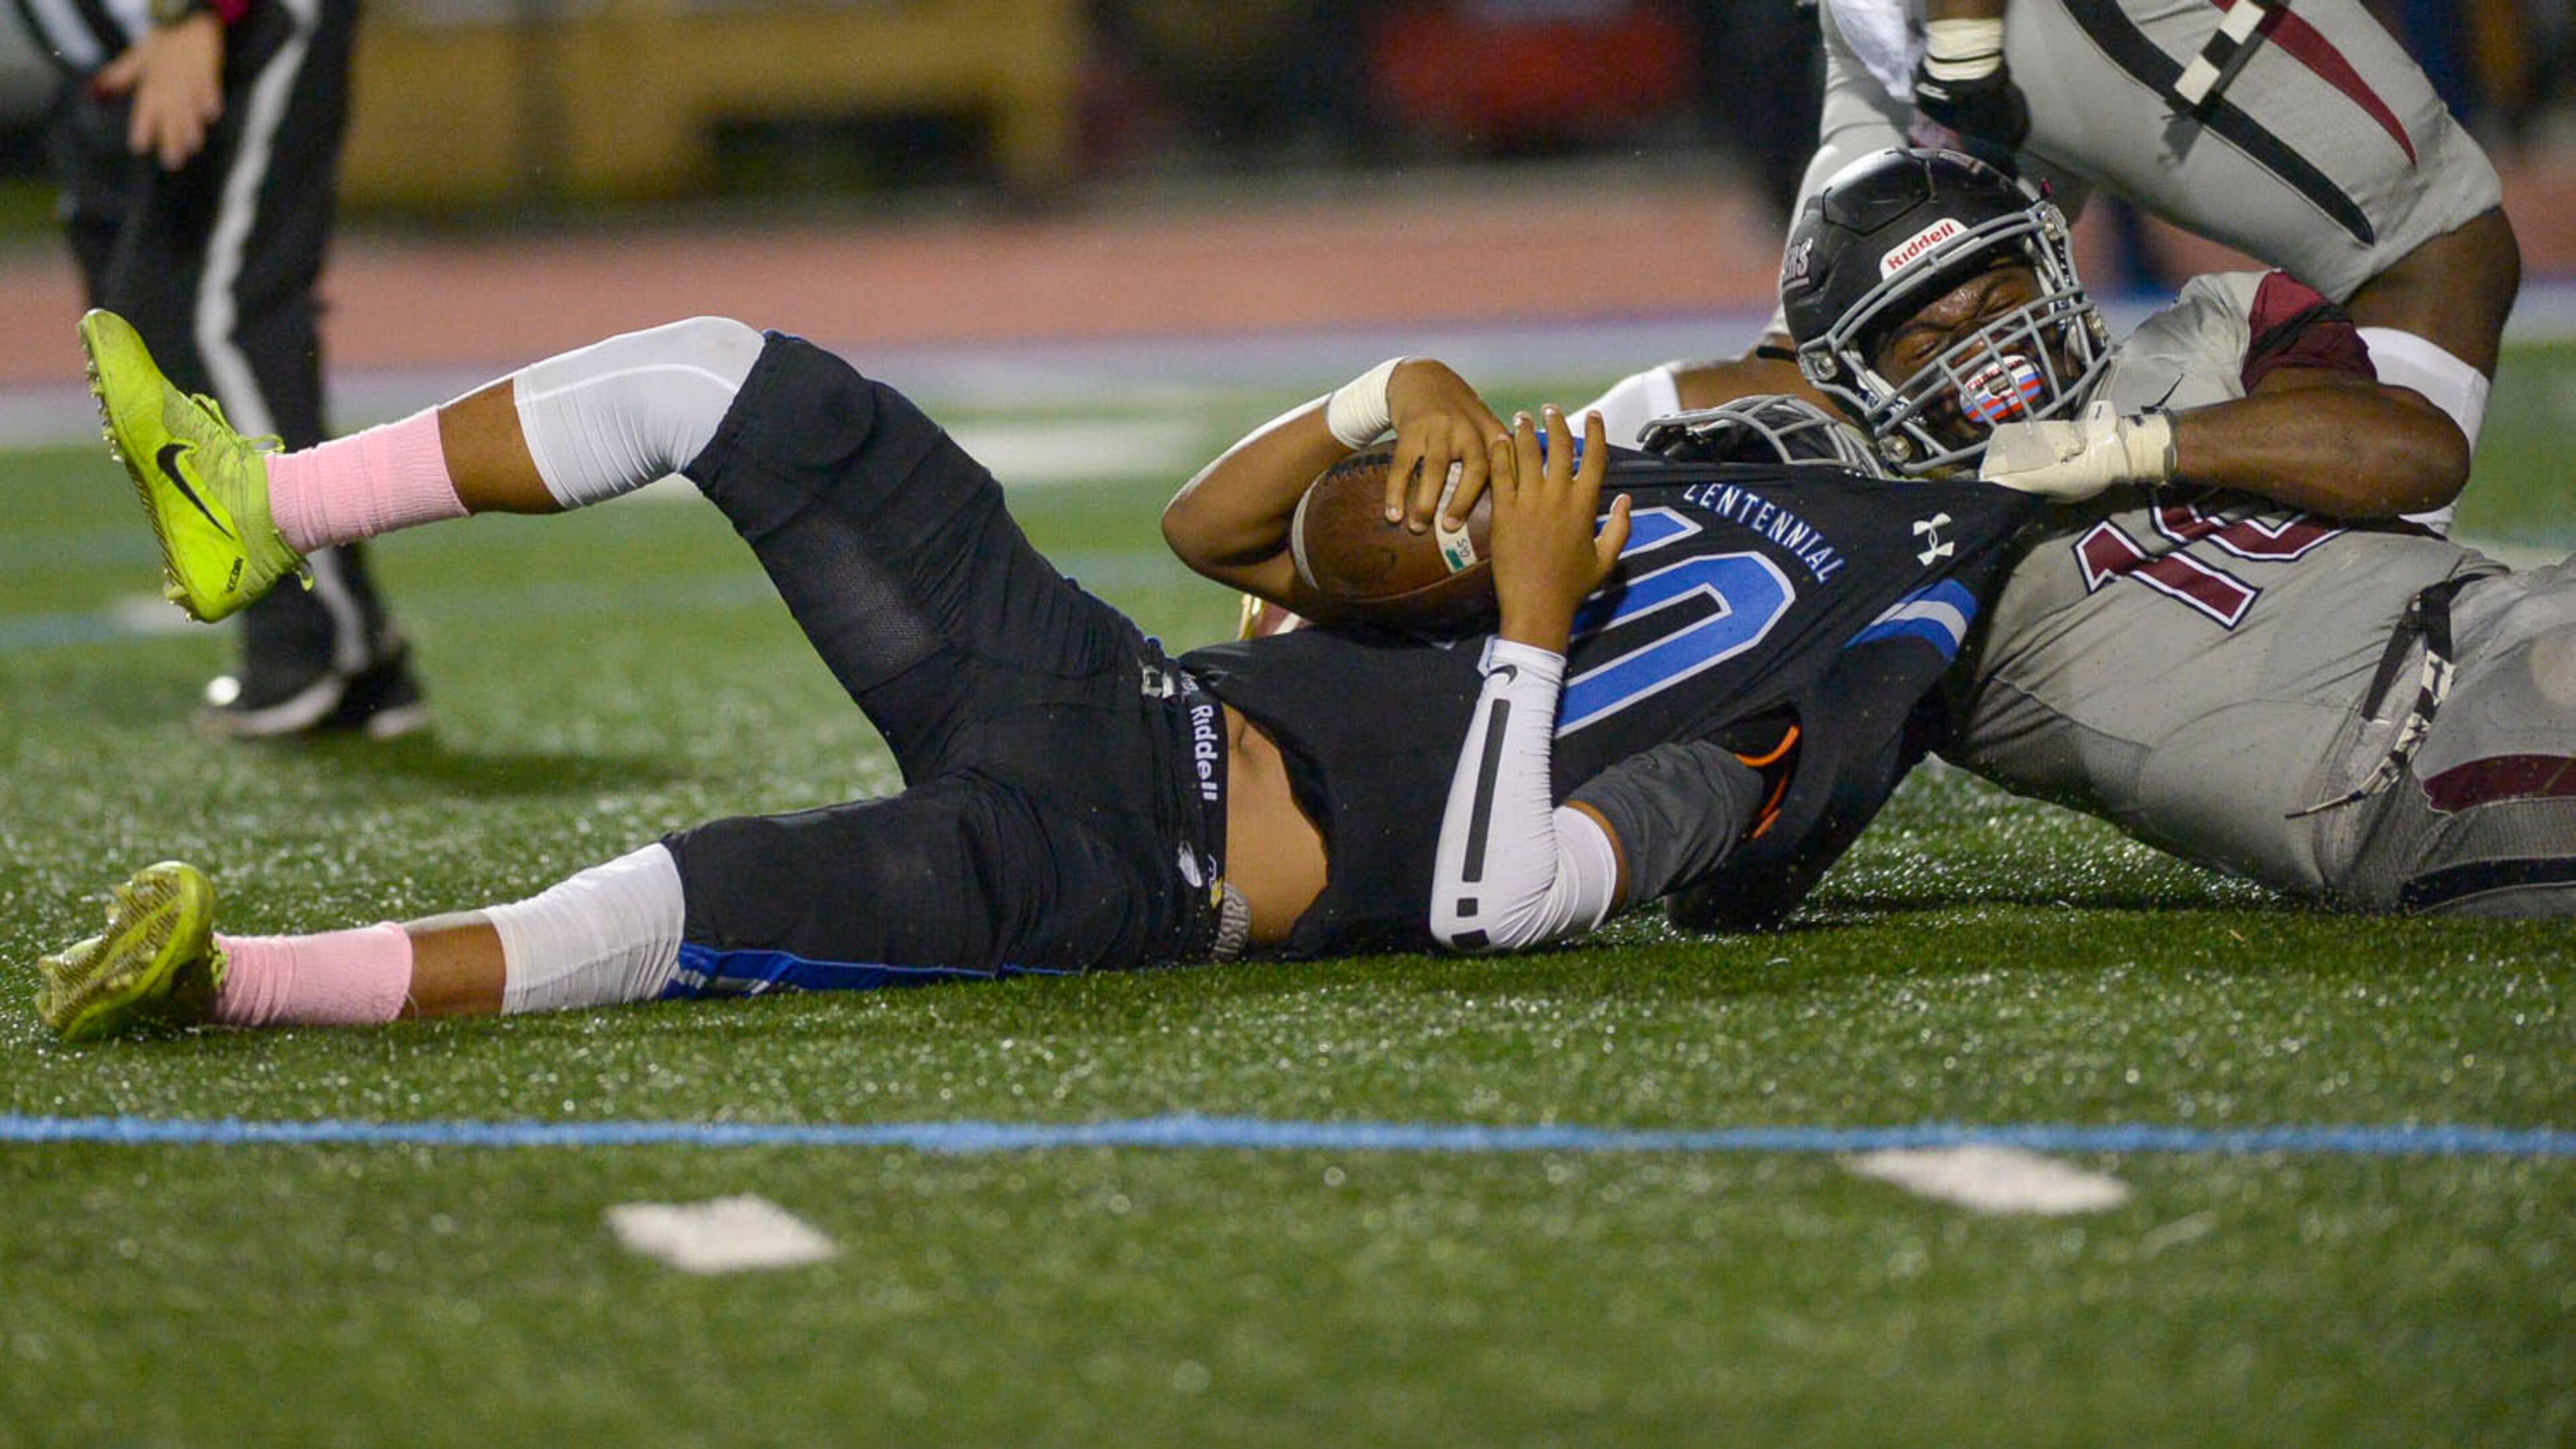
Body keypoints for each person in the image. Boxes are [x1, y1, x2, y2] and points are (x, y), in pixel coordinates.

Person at [33, 310, 2041, 1042]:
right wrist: (1390, 393)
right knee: (741, 382)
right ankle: (265, 500)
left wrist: (1522, 620)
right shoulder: (1565, 554)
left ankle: (236, 984)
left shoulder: (1739, 737)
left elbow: (1476, 908)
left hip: (1132, 878)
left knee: (681, 908)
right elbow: (1206, 536)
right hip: (1103, 693)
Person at [1768, 148, 2573, 915]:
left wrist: (2133, 444)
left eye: (1997, 300)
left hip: (2513, 613)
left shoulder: (2219, 326)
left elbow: (2417, 454)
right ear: (1863, 379)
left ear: (2049, 265)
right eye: (1928, 339)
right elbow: (1750, 863)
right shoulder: (1911, 568)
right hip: (2404, 766)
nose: (1982, 345)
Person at [1589, 0, 2520, 535]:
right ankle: (2338, 598)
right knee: (2438, 248)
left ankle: (1524, 481)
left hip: (1876, 21)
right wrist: (1965, 42)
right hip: (2045, 18)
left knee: (1841, 370)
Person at [21, 0, 425, 737]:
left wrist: (194, 14)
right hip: (107, 72)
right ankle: (359, 654)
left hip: (237, 26)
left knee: (218, 324)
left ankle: (311, 642)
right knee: (137, 340)